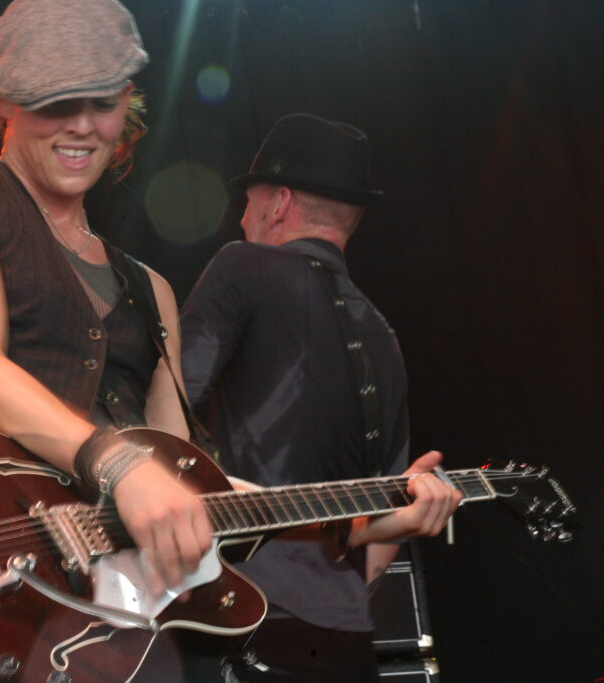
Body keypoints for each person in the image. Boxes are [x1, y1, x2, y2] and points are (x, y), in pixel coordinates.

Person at [0, 0, 210, 640]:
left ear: (129, 101)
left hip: (125, 616)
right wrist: (118, 463)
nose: (83, 127)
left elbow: (181, 472)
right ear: (4, 104)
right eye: (55, 104)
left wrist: (358, 519)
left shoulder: (152, 291)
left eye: (102, 102)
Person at [179, 113, 462, 682]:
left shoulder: (242, 265)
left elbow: (166, 417)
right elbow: (382, 531)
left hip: (245, 617)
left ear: (279, 202)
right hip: (346, 639)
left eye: (250, 199)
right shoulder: (384, 334)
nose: (242, 215)